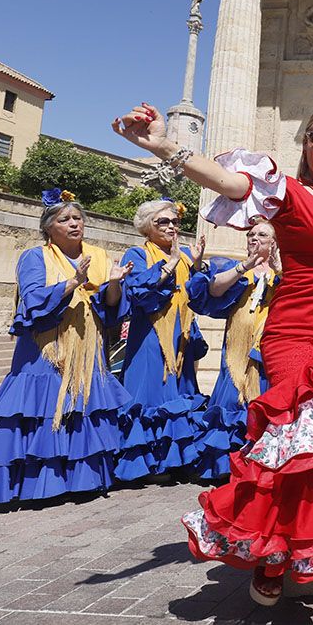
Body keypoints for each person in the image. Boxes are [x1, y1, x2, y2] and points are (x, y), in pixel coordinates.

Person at [114, 65, 313, 606]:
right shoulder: (287, 193)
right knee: (296, 449)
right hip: (295, 335)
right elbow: (230, 183)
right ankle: (272, 559)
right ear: (304, 144)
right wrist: (164, 146)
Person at [0, 190, 133, 504]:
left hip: (86, 348)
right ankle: (36, 485)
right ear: (48, 228)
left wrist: (113, 283)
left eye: (78, 218)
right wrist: (73, 282)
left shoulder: (98, 255)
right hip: (45, 350)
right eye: (64, 219)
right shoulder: (34, 256)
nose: (74, 224)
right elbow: (32, 300)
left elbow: (111, 309)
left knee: (83, 411)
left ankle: (82, 480)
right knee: (41, 412)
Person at [114, 199, 209, 482]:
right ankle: (146, 463)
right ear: (147, 227)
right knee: (151, 393)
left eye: (174, 222)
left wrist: (198, 264)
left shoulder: (184, 256)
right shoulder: (138, 253)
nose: (171, 227)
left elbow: (199, 296)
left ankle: (177, 459)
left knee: (179, 393)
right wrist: (170, 264)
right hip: (150, 337)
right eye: (163, 222)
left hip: (181, 336)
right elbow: (140, 292)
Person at [186, 221, 281, 479]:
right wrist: (246, 266)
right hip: (236, 349)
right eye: (251, 234)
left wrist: (277, 267)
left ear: (274, 241)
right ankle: (227, 466)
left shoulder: (283, 271)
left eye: (262, 234)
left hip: (270, 349)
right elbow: (214, 288)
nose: (254, 238)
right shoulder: (236, 267)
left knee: (266, 396)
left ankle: (265, 465)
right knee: (231, 398)